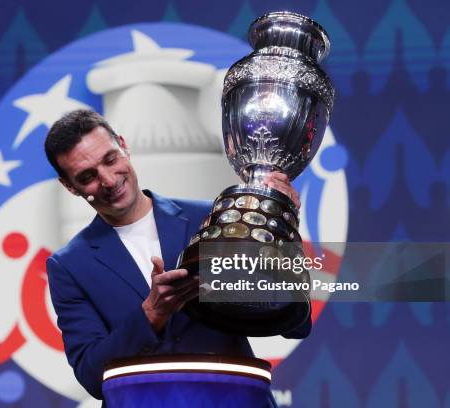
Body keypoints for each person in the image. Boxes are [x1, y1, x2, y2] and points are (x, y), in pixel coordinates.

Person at [44, 109, 310, 403]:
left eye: (110, 159)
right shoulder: (68, 266)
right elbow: (93, 376)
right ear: (69, 186)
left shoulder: (215, 218)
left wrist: (281, 224)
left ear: (123, 145)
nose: (108, 180)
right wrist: (151, 315)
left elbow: (294, 322)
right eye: (87, 176)